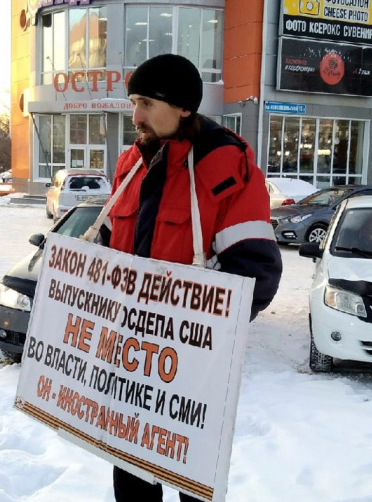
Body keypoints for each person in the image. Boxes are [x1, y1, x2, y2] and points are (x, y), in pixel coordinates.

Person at [106, 54, 283, 501]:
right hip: (128, 358)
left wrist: (192, 329)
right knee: (130, 476)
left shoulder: (225, 165)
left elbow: (255, 273)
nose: (136, 116)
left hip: (191, 369)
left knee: (191, 483)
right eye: (133, 102)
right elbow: (106, 243)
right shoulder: (131, 162)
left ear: (184, 107)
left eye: (146, 102)